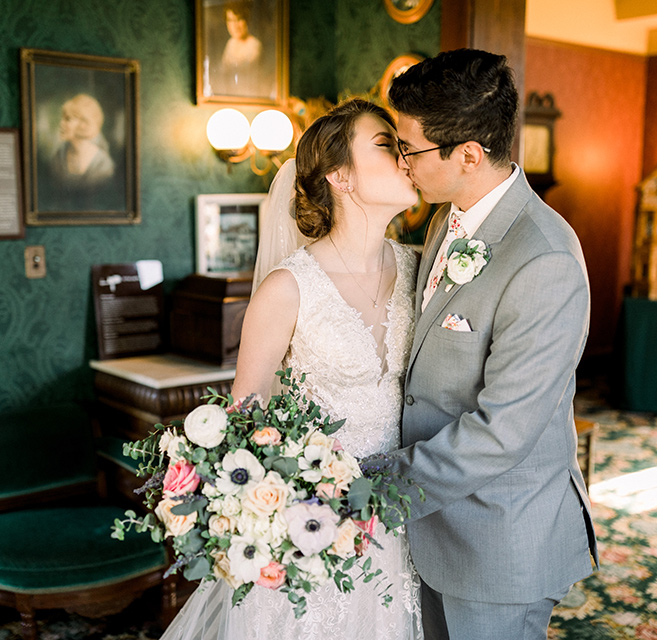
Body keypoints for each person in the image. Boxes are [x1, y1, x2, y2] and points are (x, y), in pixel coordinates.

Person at [160, 99, 423, 640]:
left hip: (400, 513)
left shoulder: (420, 266)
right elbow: (244, 420)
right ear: (340, 177)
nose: (405, 157)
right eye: (386, 144)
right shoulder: (288, 288)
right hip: (314, 522)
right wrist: (277, 510)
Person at [377, 48, 600, 640]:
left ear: (469, 155)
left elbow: (502, 431)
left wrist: (377, 488)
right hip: (432, 525)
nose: (403, 164)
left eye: (411, 149)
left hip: (501, 540)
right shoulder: (443, 218)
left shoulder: (545, 259)